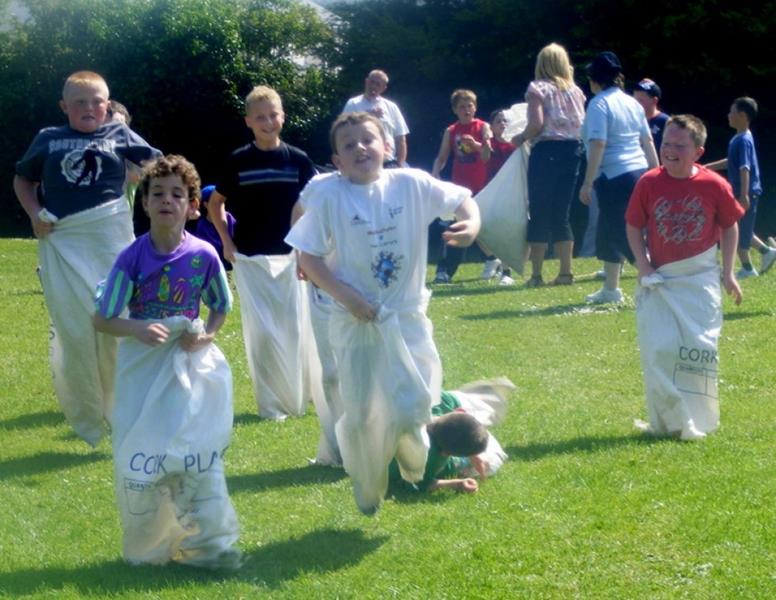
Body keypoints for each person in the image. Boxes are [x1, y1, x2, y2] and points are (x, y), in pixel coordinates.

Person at [286, 112, 480, 514]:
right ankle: (369, 484)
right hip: (355, 323)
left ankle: (412, 462)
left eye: (368, 140)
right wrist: (348, 298)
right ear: (337, 160)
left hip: (406, 319)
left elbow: (463, 198)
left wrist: (470, 225)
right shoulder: (329, 196)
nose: (360, 148)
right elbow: (309, 257)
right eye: (349, 144)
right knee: (361, 415)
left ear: (387, 146)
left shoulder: (410, 184)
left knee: (416, 404)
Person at [94, 154, 240, 568]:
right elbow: (101, 318)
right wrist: (137, 329)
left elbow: (220, 305)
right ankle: (152, 545)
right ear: (144, 203)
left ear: (193, 206)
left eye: (178, 194)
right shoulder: (132, 258)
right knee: (144, 453)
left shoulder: (205, 256)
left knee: (192, 449)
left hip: (189, 367)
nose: (166, 200)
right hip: (142, 366)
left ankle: (208, 542)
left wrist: (208, 334)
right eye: (157, 193)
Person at [13, 70, 160, 446]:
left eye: (97, 101)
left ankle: (122, 411)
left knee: (117, 325)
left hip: (110, 240)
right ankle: (87, 416)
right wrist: (33, 214)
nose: (89, 108)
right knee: (76, 331)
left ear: (107, 104)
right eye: (79, 102)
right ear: (65, 106)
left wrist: (172, 198)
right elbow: (22, 180)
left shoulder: (120, 134)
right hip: (63, 244)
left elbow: (157, 166)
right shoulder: (48, 138)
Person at [625, 115, 744, 440]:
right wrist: (644, 266)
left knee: (698, 350)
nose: (670, 150)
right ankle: (668, 420)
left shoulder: (714, 185)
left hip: (699, 279)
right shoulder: (648, 182)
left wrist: (729, 271)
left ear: (698, 151)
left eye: (680, 145)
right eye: (666, 143)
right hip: (661, 280)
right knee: (660, 350)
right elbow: (634, 226)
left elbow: (730, 225)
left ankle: (698, 419)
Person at [209, 85, 321, 420]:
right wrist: (226, 243)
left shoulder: (298, 160)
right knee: (262, 332)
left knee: (296, 327)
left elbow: (316, 203)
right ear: (249, 121)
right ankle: (271, 404)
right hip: (250, 256)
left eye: (273, 115)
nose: (268, 122)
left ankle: (302, 394)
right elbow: (215, 204)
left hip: (292, 257)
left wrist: (309, 247)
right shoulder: (238, 160)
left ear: (282, 117)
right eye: (260, 117)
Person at [579, 51, 658, 304]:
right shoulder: (632, 103)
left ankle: (656, 278)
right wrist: (656, 173)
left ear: (595, 79)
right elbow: (646, 141)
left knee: (620, 232)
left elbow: (598, 144)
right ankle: (611, 289)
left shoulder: (599, 103)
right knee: (607, 230)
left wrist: (588, 182)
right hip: (638, 173)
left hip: (614, 176)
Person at [511, 43, 587, 287]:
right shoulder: (576, 91)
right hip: (573, 151)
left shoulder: (538, 88)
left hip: (547, 151)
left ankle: (536, 275)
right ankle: (566, 272)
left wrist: (520, 137)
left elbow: (536, 123)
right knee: (561, 214)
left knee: (540, 212)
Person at [706, 97, 776, 278]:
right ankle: (765, 253)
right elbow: (732, 162)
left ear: (742, 115)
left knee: (734, 229)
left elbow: (745, 167)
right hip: (742, 191)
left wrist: (744, 194)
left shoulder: (743, 139)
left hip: (746, 192)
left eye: (732, 111)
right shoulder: (740, 137)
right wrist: (707, 168)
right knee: (739, 227)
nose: (728, 115)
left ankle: (748, 267)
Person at [431, 89, 492, 283]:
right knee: (457, 227)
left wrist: (476, 145)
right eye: (462, 107)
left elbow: (487, 155)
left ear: (475, 107)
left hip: (483, 187)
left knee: (484, 227)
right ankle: (445, 270)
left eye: (470, 106)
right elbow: (442, 158)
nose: (467, 110)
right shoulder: (451, 131)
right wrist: (435, 173)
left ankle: (493, 261)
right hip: (461, 191)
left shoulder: (483, 127)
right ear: (455, 110)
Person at [343, 69, 409, 167]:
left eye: (378, 84)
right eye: (372, 82)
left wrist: (400, 163)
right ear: (366, 81)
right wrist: (369, 117)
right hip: (362, 160)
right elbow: (344, 132)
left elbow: (400, 139)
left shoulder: (391, 107)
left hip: (388, 161)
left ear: (383, 88)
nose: (373, 86)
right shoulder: (352, 104)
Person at [486, 109, 518, 285]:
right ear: (491, 126)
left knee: (508, 231)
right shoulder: (488, 143)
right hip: (493, 192)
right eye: (498, 121)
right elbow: (483, 158)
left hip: (512, 192)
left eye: (506, 121)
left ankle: (507, 271)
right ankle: (496, 261)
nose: (503, 124)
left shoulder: (516, 144)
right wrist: (484, 142)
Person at [189, 184, 236, 271]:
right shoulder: (202, 226)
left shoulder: (229, 218)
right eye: (216, 200)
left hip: (234, 264)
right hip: (215, 268)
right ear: (206, 204)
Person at [633, 78, 669, 153]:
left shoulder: (665, 121)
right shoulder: (631, 120)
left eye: (640, 100)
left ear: (654, 100)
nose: (635, 104)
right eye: (634, 100)